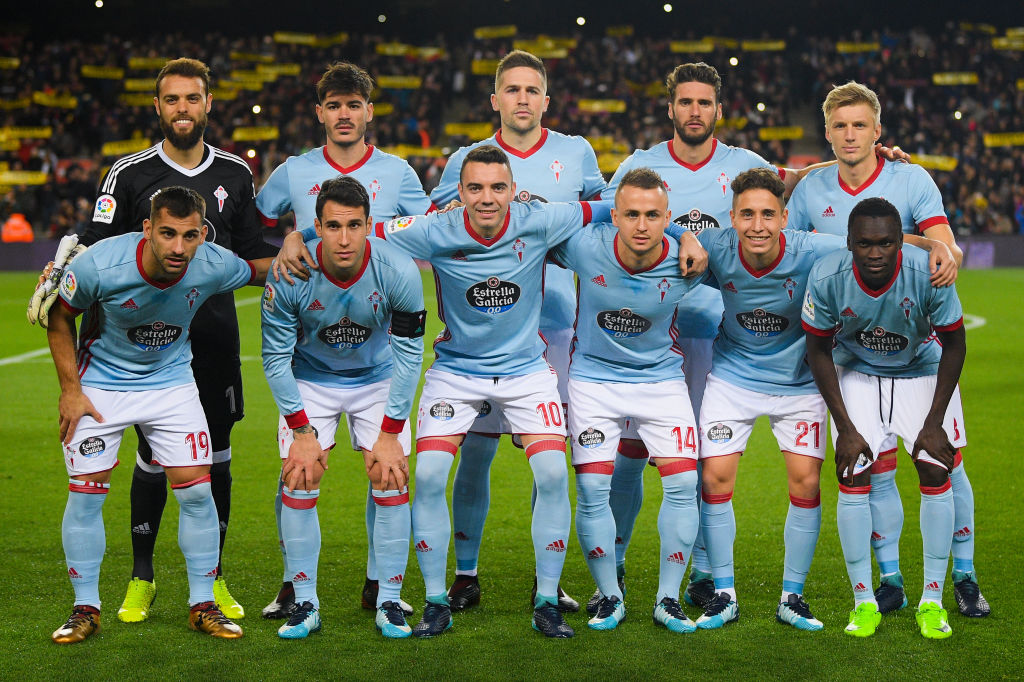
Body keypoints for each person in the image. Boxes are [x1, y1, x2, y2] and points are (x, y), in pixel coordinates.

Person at [597, 62, 909, 615]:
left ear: (719, 109)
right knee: (635, 452)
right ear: (670, 108)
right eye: (685, 102)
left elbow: (796, 179)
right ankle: (615, 566)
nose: (695, 111)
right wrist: (681, 236)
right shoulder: (639, 164)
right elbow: (606, 217)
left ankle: (704, 574)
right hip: (659, 337)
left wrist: (870, 158)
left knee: (705, 466)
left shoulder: (746, 165)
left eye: (704, 102)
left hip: (719, 337)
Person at [29, 58, 280, 624]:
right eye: (172, 99)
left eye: (192, 98)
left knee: (211, 466)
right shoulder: (127, 173)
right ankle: (139, 578)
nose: (182, 109)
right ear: (159, 106)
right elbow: (93, 247)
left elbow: (252, 257)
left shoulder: (236, 173)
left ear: (208, 103)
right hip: (124, 343)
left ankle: (209, 587)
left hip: (206, 344)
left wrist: (300, 252)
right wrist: (63, 270)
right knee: (141, 466)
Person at [690, 168, 954, 631]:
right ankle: (724, 594)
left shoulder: (814, 249)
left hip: (799, 383)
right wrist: (683, 239)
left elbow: (876, 242)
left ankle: (792, 596)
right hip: (732, 378)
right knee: (713, 479)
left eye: (768, 215)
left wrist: (936, 247)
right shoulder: (714, 245)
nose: (757, 225)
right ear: (730, 218)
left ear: (784, 218)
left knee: (806, 485)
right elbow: (664, 234)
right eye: (747, 214)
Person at [787, 81, 986, 618]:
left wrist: (933, 248)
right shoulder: (810, 190)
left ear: (878, 131)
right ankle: (891, 578)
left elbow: (946, 247)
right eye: (839, 126)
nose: (850, 135)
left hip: (918, 351)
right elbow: (790, 249)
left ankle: (964, 575)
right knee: (873, 469)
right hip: (852, 355)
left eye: (860, 125)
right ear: (827, 133)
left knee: (947, 466)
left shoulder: (910, 178)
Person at [46, 186, 271, 643]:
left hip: (171, 384)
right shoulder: (100, 265)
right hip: (101, 385)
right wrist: (70, 391)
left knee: (198, 491)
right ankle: (85, 608)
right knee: (87, 495)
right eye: (167, 233)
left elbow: (260, 270)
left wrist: (310, 250)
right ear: (147, 228)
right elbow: (59, 316)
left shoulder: (212, 262)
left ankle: (202, 604)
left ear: (203, 234)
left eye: (189, 236)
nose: (178, 247)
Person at [429, 49, 606, 614]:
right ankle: (465, 574)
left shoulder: (575, 152)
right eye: (512, 89)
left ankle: (544, 581)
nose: (522, 99)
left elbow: (604, 213)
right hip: (485, 334)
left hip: (557, 330)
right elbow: (439, 226)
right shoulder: (468, 161)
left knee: (547, 460)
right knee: (475, 456)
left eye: (532, 90)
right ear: (495, 100)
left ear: (546, 100)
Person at [259, 61, 433, 620]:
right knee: (297, 472)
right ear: (320, 113)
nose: (343, 114)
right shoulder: (294, 170)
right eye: (333, 105)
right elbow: (253, 223)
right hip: (312, 356)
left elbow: (427, 230)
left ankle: (382, 587)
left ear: (368, 112)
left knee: (390, 469)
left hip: (377, 351)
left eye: (353, 104)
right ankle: (296, 588)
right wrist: (289, 241)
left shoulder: (398, 172)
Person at [548, 167, 707, 633]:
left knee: (684, 484)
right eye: (631, 214)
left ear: (669, 219)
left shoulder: (690, 260)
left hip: (661, 381)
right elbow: (529, 233)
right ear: (613, 215)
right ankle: (609, 596)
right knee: (593, 489)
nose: (641, 225)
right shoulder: (584, 245)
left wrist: (689, 239)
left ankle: (667, 599)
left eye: (653, 216)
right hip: (593, 381)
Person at [802, 197, 967, 640]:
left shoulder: (928, 271)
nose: (875, 253)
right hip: (857, 371)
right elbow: (817, 349)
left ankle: (932, 600)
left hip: (921, 369)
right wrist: (845, 428)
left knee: (935, 469)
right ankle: (863, 602)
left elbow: (955, 344)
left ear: (900, 241)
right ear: (849, 242)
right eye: (864, 244)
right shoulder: (827, 276)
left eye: (886, 243)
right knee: (852, 473)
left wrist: (934, 422)